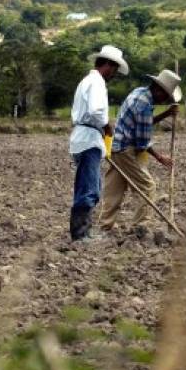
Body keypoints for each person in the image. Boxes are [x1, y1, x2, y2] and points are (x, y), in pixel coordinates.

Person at [99, 69, 181, 235]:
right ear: (159, 90)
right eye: (165, 97)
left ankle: (105, 226)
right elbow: (142, 141)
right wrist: (159, 156)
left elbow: (144, 123)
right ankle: (140, 226)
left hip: (116, 146)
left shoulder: (139, 93)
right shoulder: (144, 105)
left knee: (114, 188)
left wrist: (166, 113)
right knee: (147, 186)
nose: (164, 100)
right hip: (125, 150)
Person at [68, 45, 129, 241]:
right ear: (108, 65)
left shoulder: (88, 81)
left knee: (90, 185)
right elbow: (96, 111)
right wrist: (107, 125)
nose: (114, 74)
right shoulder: (96, 82)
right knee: (88, 188)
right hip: (88, 139)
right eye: (114, 70)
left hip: (86, 137)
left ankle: (84, 231)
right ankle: (80, 234)